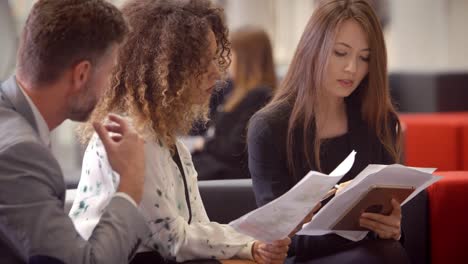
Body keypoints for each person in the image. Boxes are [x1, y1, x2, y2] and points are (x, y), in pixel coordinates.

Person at [69, 0, 290, 263]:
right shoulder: (130, 138)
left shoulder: (168, 142)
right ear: (165, 67)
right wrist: (247, 244)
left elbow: (196, 225)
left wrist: (252, 246)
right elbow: (172, 240)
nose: (216, 73)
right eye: (204, 61)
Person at [247, 0, 402, 261]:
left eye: (364, 58)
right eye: (341, 53)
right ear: (313, 49)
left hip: (373, 254)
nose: (352, 68)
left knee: (389, 252)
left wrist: (392, 229)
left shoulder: (379, 120)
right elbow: (279, 238)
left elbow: (389, 215)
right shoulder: (269, 128)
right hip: (305, 258)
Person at [0, 0, 149, 263]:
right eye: (111, 71)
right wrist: (131, 181)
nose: (109, 87)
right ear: (81, 74)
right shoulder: (19, 153)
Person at [193, 27, 276, 180]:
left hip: (226, 173)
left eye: (231, 53)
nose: (226, 60)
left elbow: (236, 147)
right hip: (215, 165)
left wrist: (205, 144)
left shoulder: (261, 96)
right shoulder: (236, 92)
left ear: (246, 58)